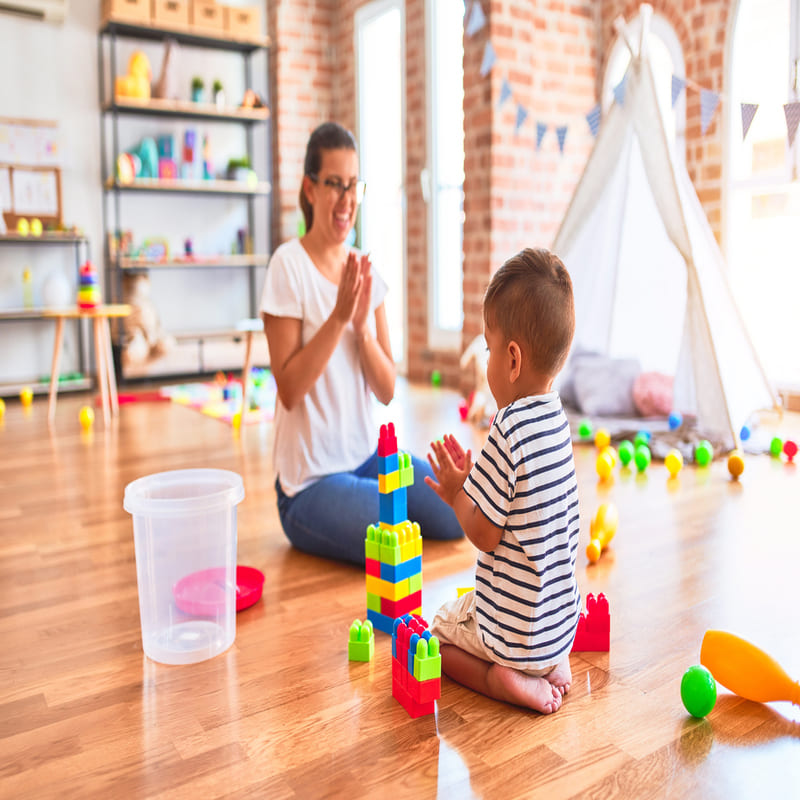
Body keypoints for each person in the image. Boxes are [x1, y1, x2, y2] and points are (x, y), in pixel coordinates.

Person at [260, 121, 463, 565]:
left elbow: (388, 389)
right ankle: (361, 511)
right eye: (335, 184)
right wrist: (337, 319)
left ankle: (380, 504)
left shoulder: (363, 269)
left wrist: (362, 330)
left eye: (354, 185)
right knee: (391, 525)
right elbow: (290, 389)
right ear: (310, 189)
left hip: (366, 458)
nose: (347, 199)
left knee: (452, 511)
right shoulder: (287, 266)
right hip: (309, 485)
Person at [425, 247, 581, 714]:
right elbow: (526, 508)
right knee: (527, 613)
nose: (487, 360)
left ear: (512, 360)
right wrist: (475, 479)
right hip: (558, 624)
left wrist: (456, 495)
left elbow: (486, 534)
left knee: (437, 637)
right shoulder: (557, 419)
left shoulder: (507, 426)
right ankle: (553, 663)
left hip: (512, 634)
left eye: (489, 349)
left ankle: (504, 681)